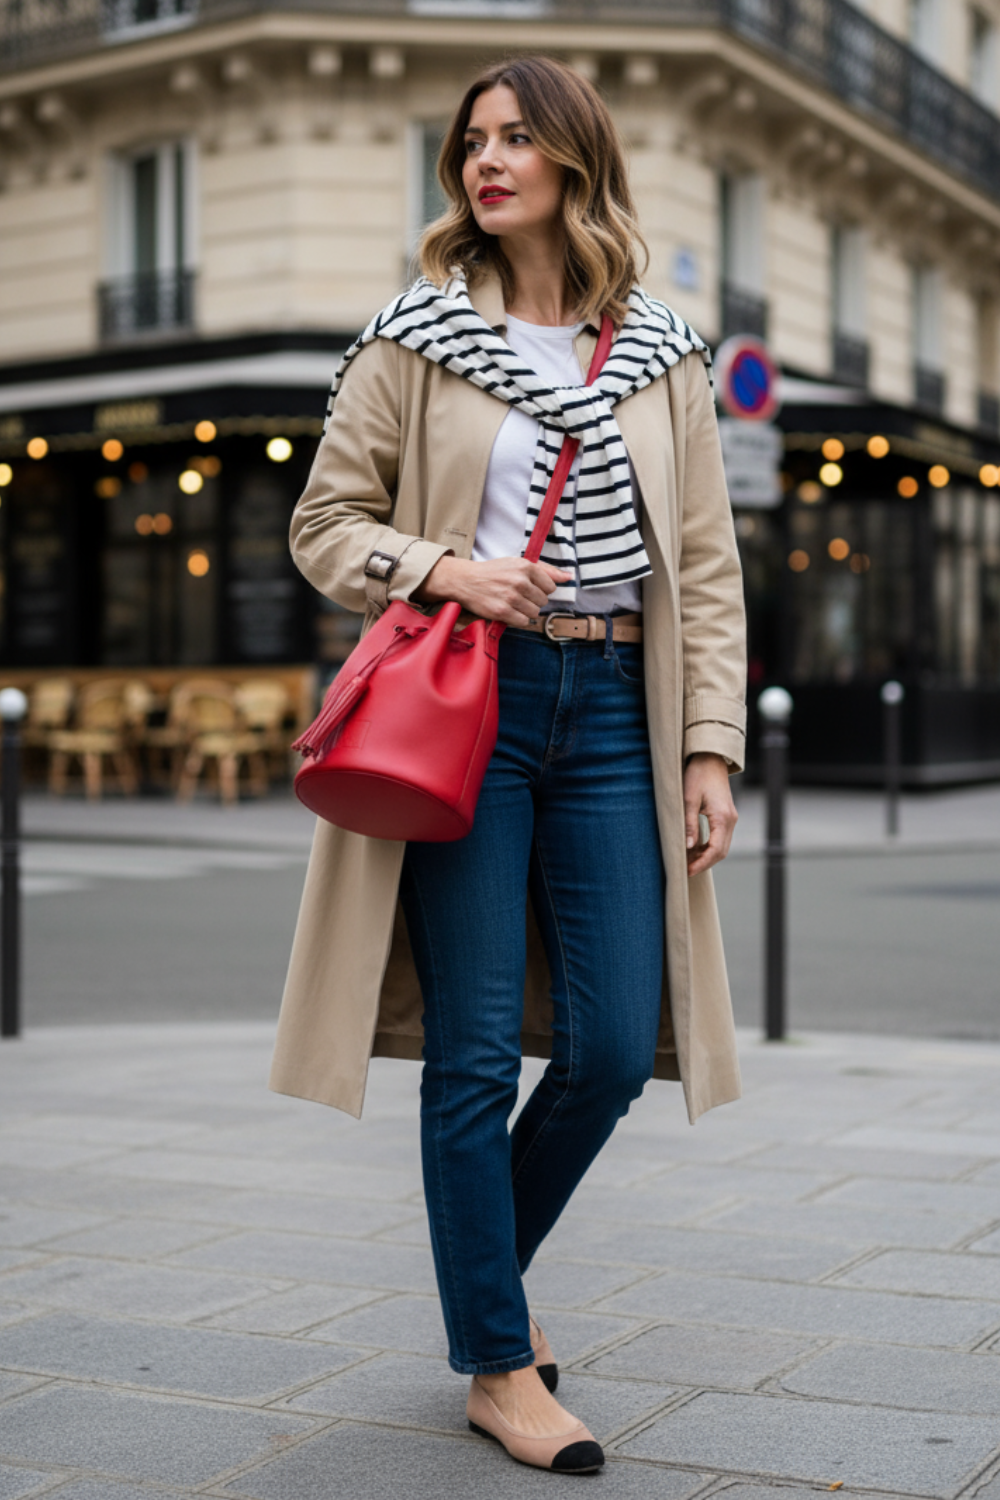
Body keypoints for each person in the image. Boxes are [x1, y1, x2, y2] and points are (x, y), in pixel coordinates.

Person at [271, 54, 746, 1475]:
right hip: (468, 703)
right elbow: (322, 522)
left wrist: (711, 744)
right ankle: (497, 1358)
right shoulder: (413, 336)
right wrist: (445, 571)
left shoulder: (661, 350)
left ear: (573, 160)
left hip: (615, 708)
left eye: (517, 137)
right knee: (474, 1056)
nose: (488, 160)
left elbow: (707, 568)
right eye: (472, 140)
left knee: (606, 1050)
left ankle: (483, 1295)